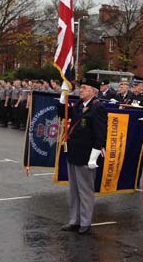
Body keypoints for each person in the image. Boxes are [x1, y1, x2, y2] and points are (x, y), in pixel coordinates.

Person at [59, 77, 107, 235]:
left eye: (85, 88)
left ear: (94, 91)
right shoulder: (79, 104)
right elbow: (63, 114)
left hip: (86, 155)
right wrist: (63, 95)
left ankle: (85, 222)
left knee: (85, 191)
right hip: (73, 152)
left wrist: (93, 157)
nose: (81, 90)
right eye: (81, 87)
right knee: (74, 190)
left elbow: (100, 135)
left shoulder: (98, 107)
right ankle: (74, 221)